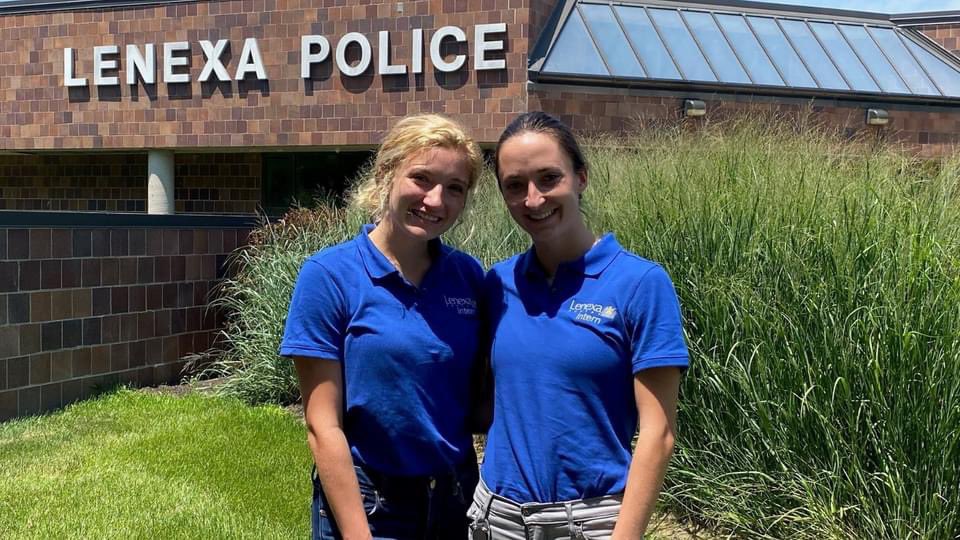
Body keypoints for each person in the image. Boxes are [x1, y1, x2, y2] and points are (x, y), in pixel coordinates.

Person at [470, 111, 689, 539]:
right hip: (494, 518)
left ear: (581, 178)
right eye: (515, 186)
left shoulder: (639, 284)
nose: (533, 199)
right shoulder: (497, 283)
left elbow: (658, 433)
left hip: (589, 522)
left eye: (549, 178)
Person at [280, 114, 485, 540]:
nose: (435, 200)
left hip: (457, 499)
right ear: (385, 174)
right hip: (372, 504)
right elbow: (323, 425)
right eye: (422, 178)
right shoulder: (330, 276)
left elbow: (481, 403)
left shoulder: (468, 277)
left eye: (455, 188)